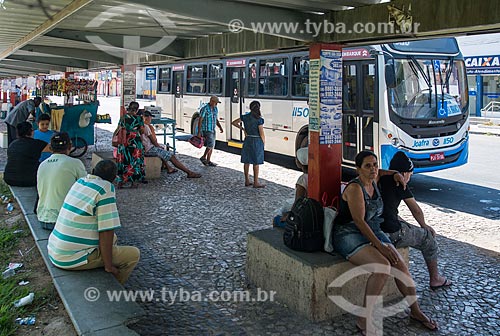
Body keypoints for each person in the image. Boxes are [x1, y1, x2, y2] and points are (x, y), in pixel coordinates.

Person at [333, 151, 438, 334]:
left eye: (374, 164)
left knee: (400, 266)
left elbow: (382, 172)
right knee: (382, 266)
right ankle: (364, 317)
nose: (373, 169)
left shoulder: (374, 178)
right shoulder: (355, 188)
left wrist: (395, 173)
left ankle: (416, 311)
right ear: (358, 169)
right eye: (367, 166)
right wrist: (380, 246)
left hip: (373, 228)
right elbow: (359, 221)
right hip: (348, 232)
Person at [47, 160, 140, 284]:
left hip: (55, 249)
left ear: (93, 171)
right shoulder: (106, 188)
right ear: (113, 178)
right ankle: (113, 289)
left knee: (114, 239)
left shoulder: (80, 182)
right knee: (133, 254)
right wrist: (109, 266)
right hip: (71, 258)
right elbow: (106, 230)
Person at [379, 151, 452, 290]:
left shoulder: (381, 179)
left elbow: (388, 210)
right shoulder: (400, 183)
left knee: (407, 226)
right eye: (410, 175)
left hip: (377, 227)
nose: (409, 178)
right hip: (390, 232)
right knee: (428, 239)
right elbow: (415, 209)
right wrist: (424, 225)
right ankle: (435, 279)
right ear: (405, 173)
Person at [36, 132, 87, 230]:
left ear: (50, 148)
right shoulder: (75, 163)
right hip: (63, 221)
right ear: (70, 146)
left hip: (42, 219)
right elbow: (85, 189)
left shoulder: (42, 165)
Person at [141, 111, 201, 178]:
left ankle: (169, 168)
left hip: (146, 148)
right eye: (150, 118)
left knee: (163, 152)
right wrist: (159, 147)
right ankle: (189, 172)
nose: (151, 119)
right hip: (149, 149)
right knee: (171, 157)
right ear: (146, 118)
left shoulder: (140, 126)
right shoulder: (146, 127)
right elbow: (154, 141)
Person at [3, 122, 50, 187]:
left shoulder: (12, 144)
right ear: (31, 131)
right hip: (28, 180)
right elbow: (55, 149)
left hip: (9, 178)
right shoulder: (37, 144)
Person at [231, 100, 266, 188]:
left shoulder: (245, 117)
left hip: (248, 139)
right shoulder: (259, 119)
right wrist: (263, 143)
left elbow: (234, 122)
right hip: (256, 140)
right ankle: (256, 182)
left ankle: (247, 180)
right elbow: (261, 133)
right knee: (256, 162)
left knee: (247, 161)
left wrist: (243, 129)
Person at [116, 101, 146, 188]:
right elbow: (142, 131)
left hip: (124, 142)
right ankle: (134, 182)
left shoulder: (123, 118)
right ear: (137, 110)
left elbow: (119, 129)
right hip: (135, 142)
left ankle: (121, 182)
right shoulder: (139, 118)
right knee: (135, 161)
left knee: (123, 161)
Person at [197, 95, 223, 167]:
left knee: (212, 145)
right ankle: (203, 157)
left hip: (212, 129)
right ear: (211, 101)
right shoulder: (205, 109)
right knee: (210, 144)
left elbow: (215, 119)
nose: (216, 104)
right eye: (215, 102)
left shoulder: (215, 109)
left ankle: (208, 160)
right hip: (207, 129)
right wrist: (199, 132)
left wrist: (220, 127)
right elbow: (200, 120)